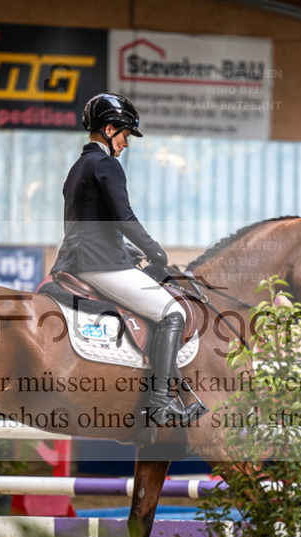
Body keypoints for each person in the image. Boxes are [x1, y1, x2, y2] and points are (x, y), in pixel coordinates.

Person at [51, 92, 201, 425]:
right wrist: (154, 251)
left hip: (79, 259)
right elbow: (124, 218)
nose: (127, 144)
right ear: (108, 129)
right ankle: (161, 403)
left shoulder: (79, 167)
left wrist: (130, 251)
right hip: (99, 265)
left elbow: (90, 223)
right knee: (172, 312)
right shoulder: (107, 164)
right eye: (125, 135)